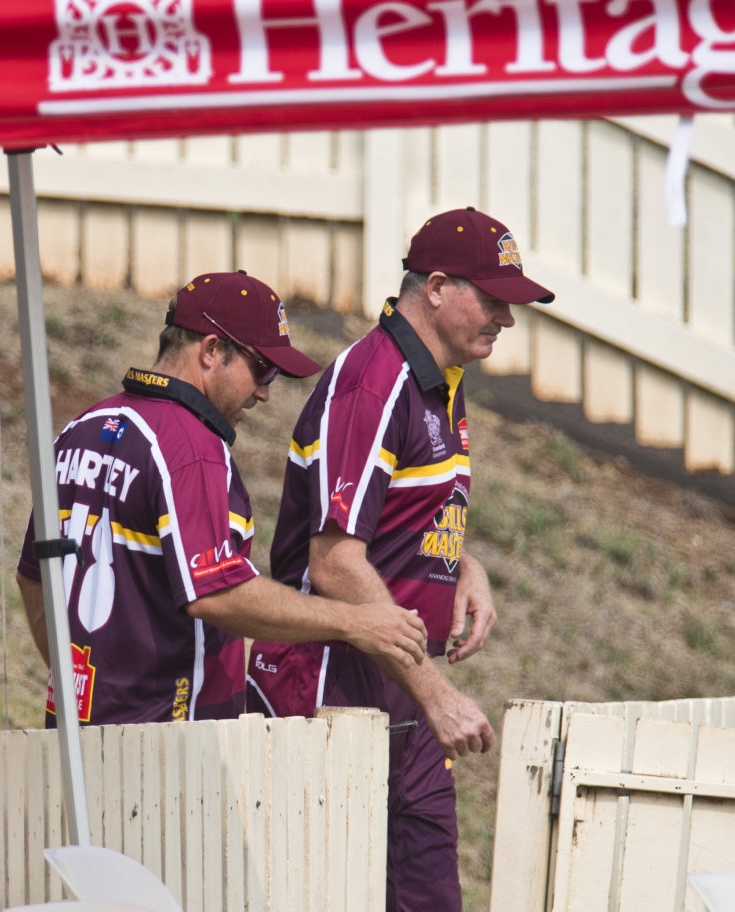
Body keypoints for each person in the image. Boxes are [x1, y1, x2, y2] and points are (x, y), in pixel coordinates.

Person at [245, 207, 556, 912]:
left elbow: (401, 509)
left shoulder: (444, 377)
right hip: (326, 691)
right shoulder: (371, 382)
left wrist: (462, 564)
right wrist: (436, 692)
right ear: (438, 287)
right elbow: (333, 561)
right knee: (326, 895)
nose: (505, 319)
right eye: (493, 298)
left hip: (402, 700)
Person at [15, 270, 428, 727]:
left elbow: (34, 577)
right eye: (262, 369)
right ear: (211, 351)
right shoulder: (191, 446)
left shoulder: (83, 426)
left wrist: (73, 679)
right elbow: (215, 593)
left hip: (77, 733)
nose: (265, 392)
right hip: (166, 749)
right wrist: (356, 621)